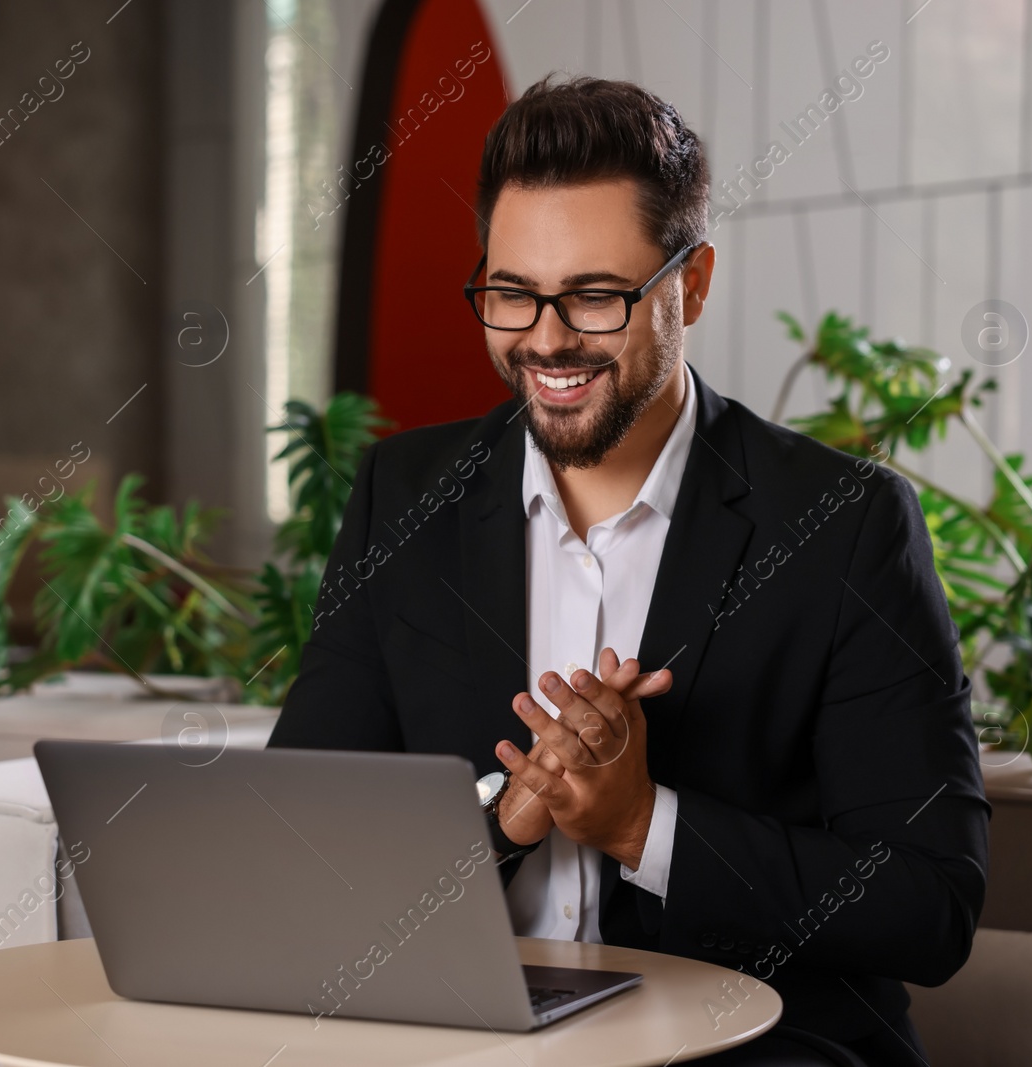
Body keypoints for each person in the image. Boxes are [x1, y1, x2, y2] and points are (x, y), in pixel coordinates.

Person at [268, 75, 987, 1066]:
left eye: (595, 296)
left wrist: (643, 822)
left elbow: (927, 903)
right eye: (512, 293)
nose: (547, 338)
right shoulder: (406, 494)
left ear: (689, 283)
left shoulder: (845, 523)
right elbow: (300, 842)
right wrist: (507, 814)